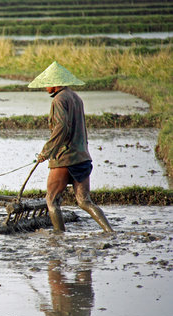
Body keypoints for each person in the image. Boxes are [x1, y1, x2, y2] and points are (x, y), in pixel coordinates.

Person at [28, 61, 114, 232]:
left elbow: (62, 128)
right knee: (84, 201)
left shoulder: (59, 100)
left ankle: (59, 236)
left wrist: (46, 151)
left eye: (47, 84)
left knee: (51, 200)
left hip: (64, 158)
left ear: (55, 83)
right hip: (82, 157)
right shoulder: (76, 98)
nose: (45, 88)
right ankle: (110, 232)